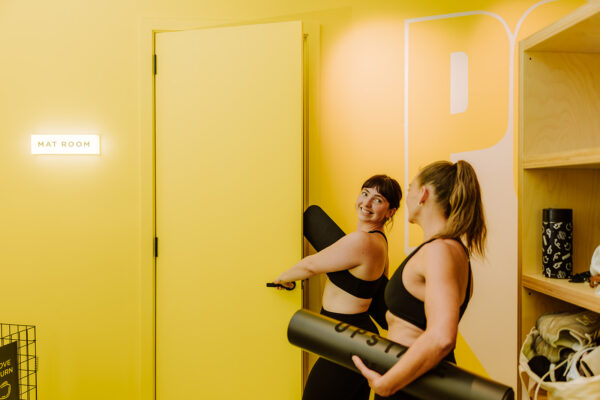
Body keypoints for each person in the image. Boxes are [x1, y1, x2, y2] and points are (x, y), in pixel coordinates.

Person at [352, 160, 486, 399]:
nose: (408, 198)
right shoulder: (448, 249)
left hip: (411, 386)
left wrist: (387, 384)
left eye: (411, 188)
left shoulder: (439, 251)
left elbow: (442, 337)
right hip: (410, 381)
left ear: (423, 194)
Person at [273, 174, 402, 400]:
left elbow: (311, 265)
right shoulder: (379, 242)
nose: (367, 203)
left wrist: (282, 278)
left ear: (390, 212)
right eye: (365, 194)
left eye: (378, 200)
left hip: (346, 338)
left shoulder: (362, 240)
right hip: (356, 338)